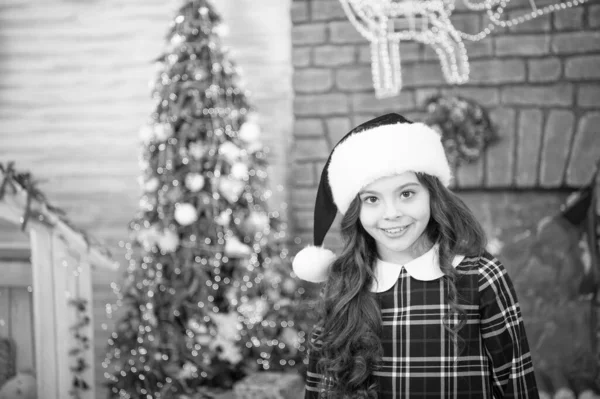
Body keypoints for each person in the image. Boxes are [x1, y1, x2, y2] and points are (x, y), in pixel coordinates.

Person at [292, 113, 539, 398]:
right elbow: (320, 386)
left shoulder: (481, 276)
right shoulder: (344, 283)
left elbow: (517, 383)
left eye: (407, 194)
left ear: (433, 196)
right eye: (372, 199)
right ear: (355, 212)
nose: (392, 213)